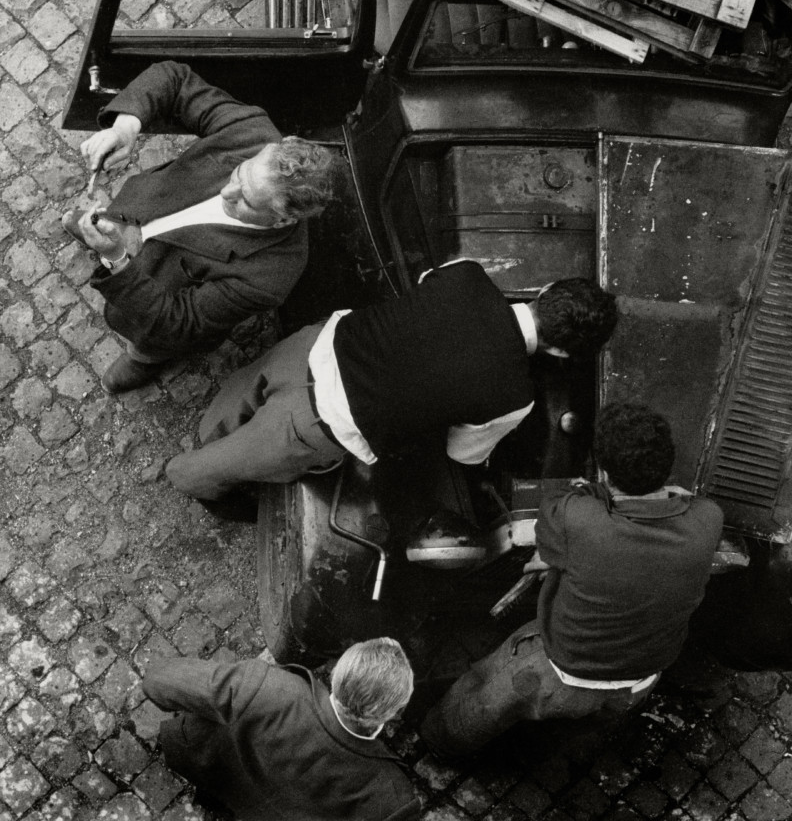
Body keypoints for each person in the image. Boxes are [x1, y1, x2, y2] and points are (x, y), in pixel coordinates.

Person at [164, 259, 617, 499]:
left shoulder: (469, 274)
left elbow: (425, 284)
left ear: (545, 291)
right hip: (314, 425)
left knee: (241, 390)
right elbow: (462, 453)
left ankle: (210, 427)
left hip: (312, 346)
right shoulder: (515, 398)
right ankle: (183, 476)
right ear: (562, 352)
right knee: (210, 470)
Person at [418, 402, 724, 758]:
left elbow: (555, 506)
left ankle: (436, 743)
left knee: (481, 699)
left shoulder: (578, 518)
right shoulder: (709, 519)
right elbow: (688, 501)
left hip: (562, 670)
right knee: (582, 723)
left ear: (604, 473)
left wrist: (590, 490)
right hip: (643, 677)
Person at [61, 61, 337, 394]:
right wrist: (125, 128)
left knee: (154, 341)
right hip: (137, 212)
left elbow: (179, 324)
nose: (227, 193)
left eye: (246, 201)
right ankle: (98, 228)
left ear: (283, 219)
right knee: (103, 224)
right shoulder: (252, 131)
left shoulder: (270, 277)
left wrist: (118, 259)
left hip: (154, 296)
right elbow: (175, 79)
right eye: (239, 174)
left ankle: (144, 358)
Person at [142, 638, 420, 821]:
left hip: (212, 769)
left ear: (337, 672)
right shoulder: (392, 798)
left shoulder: (271, 687)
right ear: (392, 714)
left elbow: (159, 681)